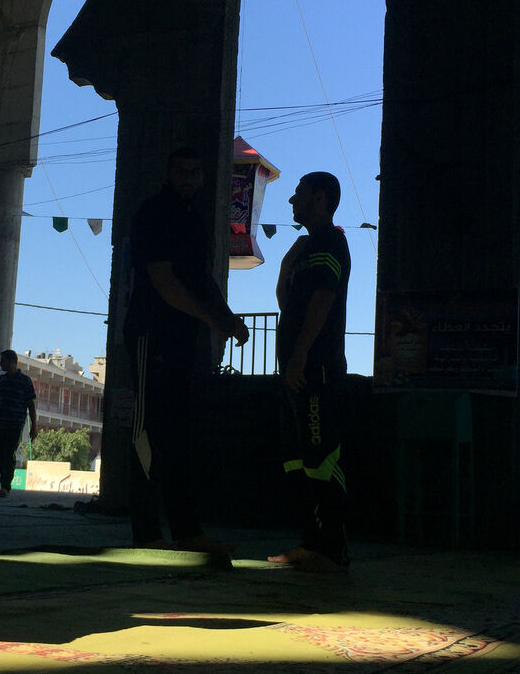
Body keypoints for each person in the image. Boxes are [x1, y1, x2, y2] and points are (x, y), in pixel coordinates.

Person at [123, 147, 249, 556]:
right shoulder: (154, 213)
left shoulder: (195, 222)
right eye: (183, 171)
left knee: (179, 435)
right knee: (147, 431)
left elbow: (201, 279)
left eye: (196, 172)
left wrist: (226, 316)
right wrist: (212, 320)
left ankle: (187, 529)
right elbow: (164, 280)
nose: (190, 179)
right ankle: (145, 530)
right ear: (168, 173)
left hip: (182, 338)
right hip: (151, 333)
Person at [268, 172, 353, 574]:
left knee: (321, 457)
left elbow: (323, 298)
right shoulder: (305, 249)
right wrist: (286, 263)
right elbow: (287, 302)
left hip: (316, 369)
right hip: (295, 370)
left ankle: (332, 548)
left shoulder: (330, 241)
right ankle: (308, 542)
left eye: (299, 193)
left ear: (320, 198)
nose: (291, 200)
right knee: (296, 460)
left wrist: (301, 355)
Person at [0, 350, 38, 497]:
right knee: (0, 454)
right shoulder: (0, 380)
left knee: (9, 454)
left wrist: (34, 426)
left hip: (15, 425)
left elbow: (31, 405)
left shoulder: (25, 381)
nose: (0, 363)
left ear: (12, 362)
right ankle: (4, 485)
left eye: (3, 361)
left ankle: (5, 486)